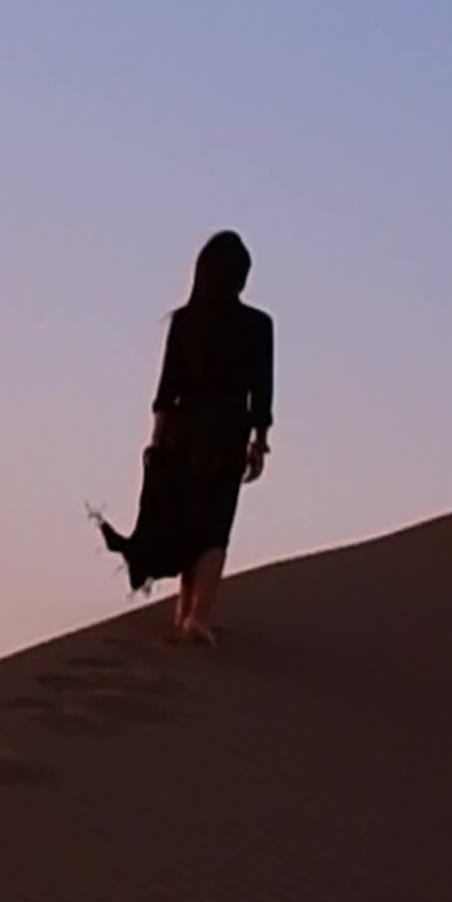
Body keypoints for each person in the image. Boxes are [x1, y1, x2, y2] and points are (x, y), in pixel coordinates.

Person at [96, 230, 273, 646]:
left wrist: (156, 444)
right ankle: (199, 614)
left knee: (187, 518)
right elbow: (261, 389)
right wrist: (260, 442)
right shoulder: (258, 325)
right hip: (226, 430)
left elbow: (166, 388)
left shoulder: (185, 322)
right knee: (214, 524)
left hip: (180, 430)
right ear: (241, 277)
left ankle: (184, 613)